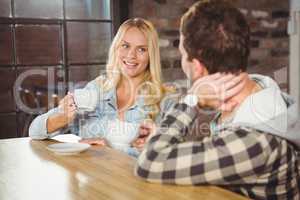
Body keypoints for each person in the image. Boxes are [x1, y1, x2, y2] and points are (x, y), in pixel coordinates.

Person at [135, 1, 300, 199]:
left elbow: (150, 162)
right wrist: (163, 138)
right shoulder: (262, 88)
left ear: (197, 67)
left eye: (182, 53)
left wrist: (191, 100)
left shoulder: (255, 142)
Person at [29, 18, 174, 157]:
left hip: (137, 181)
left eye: (141, 49)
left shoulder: (164, 99)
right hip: (95, 178)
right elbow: (35, 131)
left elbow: (169, 155)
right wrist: (63, 117)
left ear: (151, 55)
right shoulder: (97, 89)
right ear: (116, 48)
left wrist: (109, 149)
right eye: (125, 46)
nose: (131, 55)